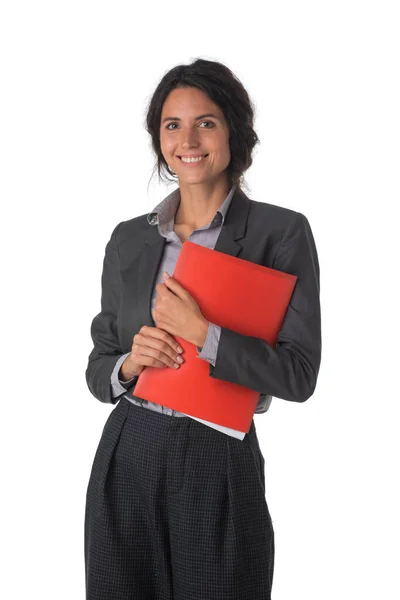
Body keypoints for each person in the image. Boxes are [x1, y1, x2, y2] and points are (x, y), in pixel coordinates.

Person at [84, 58, 321, 600]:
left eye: (206, 122)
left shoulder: (279, 233)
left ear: (234, 132)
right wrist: (128, 365)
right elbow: (99, 366)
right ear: (159, 141)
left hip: (219, 455)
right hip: (130, 446)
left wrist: (203, 334)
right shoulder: (129, 239)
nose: (188, 139)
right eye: (172, 125)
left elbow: (300, 373)